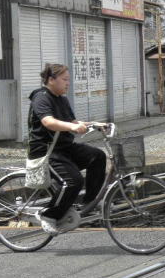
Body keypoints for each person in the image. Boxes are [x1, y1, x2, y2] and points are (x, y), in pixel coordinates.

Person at [28, 63, 107, 234]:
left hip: (64, 147)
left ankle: (90, 202)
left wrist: (93, 124)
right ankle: (49, 216)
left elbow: (72, 123)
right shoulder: (41, 97)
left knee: (98, 156)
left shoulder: (61, 99)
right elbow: (48, 122)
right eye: (64, 80)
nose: (68, 83)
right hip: (46, 151)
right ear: (51, 79)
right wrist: (72, 128)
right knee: (74, 180)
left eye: (68, 80)